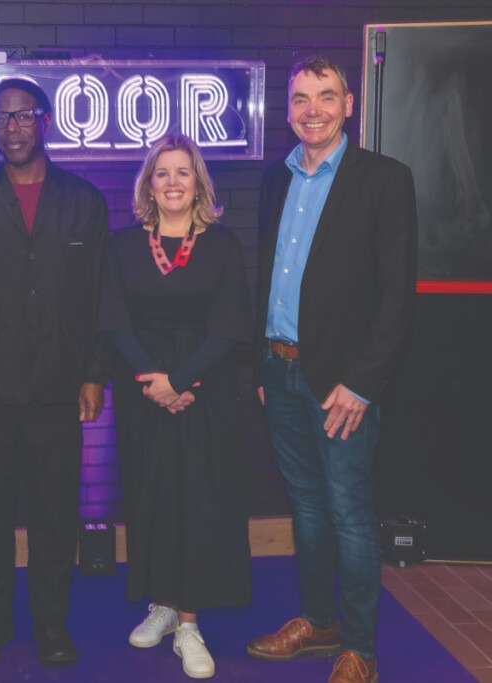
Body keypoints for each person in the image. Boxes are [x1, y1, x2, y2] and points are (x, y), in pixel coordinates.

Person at [247, 56, 417, 683]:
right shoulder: (276, 179)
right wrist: (263, 366)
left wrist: (365, 383)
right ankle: (318, 623)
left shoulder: (384, 179)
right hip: (281, 372)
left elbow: (398, 295)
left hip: (344, 386)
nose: (312, 109)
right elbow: (268, 276)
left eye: (325, 96)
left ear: (350, 104)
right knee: (307, 508)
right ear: (288, 109)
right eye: (300, 98)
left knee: (348, 511)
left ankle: (361, 649)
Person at [0, 78, 109, 667]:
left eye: (24, 115)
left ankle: (52, 628)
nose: (13, 127)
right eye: (2, 118)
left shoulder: (84, 200)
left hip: (59, 392)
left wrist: (93, 372)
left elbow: (97, 296)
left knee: (57, 521)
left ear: (46, 120)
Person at [99, 134, 253, 679]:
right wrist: (155, 382)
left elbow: (232, 323)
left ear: (198, 183)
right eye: (161, 173)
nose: (172, 182)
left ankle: (189, 622)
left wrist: (182, 379)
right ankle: (162, 603)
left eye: (182, 173)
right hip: (145, 395)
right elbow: (113, 320)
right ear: (148, 184)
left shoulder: (223, 245)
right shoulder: (121, 246)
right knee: (152, 496)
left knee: (199, 501)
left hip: (205, 392)